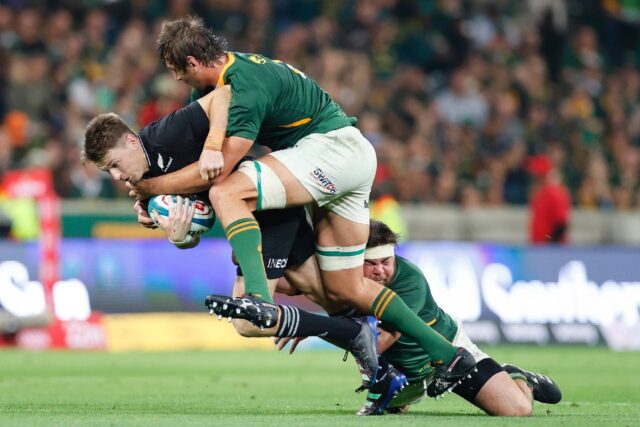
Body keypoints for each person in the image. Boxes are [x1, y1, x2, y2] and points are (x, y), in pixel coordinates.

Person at [128, 16, 475, 394]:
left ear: (192, 63)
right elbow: (200, 164)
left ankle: (260, 298)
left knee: (227, 192)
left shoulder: (243, 85)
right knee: (348, 289)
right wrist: (161, 203)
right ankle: (448, 355)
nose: (178, 80)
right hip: (347, 154)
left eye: (178, 71)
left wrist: (150, 188)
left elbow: (220, 169)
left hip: (328, 151)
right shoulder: (228, 81)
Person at [82, 96, 381, 390]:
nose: (117, 176)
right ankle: (389, 356)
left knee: (248, 321)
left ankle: (359, 334)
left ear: (132, 142)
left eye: (115, 165)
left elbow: (220, 97)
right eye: (108, 171)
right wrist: (180, 238)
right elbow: (191, 238)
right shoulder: (145, 192)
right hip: (257, 218)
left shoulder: (169, 132)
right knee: (331, 295)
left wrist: (214, 147)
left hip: (265, 205)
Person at [274, 220, 562, 416]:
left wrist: (316, 327)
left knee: (517, 410)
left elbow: (382, 340)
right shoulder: (345, 280)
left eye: (385, 262)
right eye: (370, 264)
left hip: (446, 357)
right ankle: (407, 393)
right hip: (403, 370)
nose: (380, 272)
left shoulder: (408, 281)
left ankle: (518, 376)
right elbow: (293, 284)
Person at [526, 155, 571, 244]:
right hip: (540, 248)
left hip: (552, 251)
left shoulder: (554, 193)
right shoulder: (539, 194)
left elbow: (560, 224)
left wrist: (550, 242)